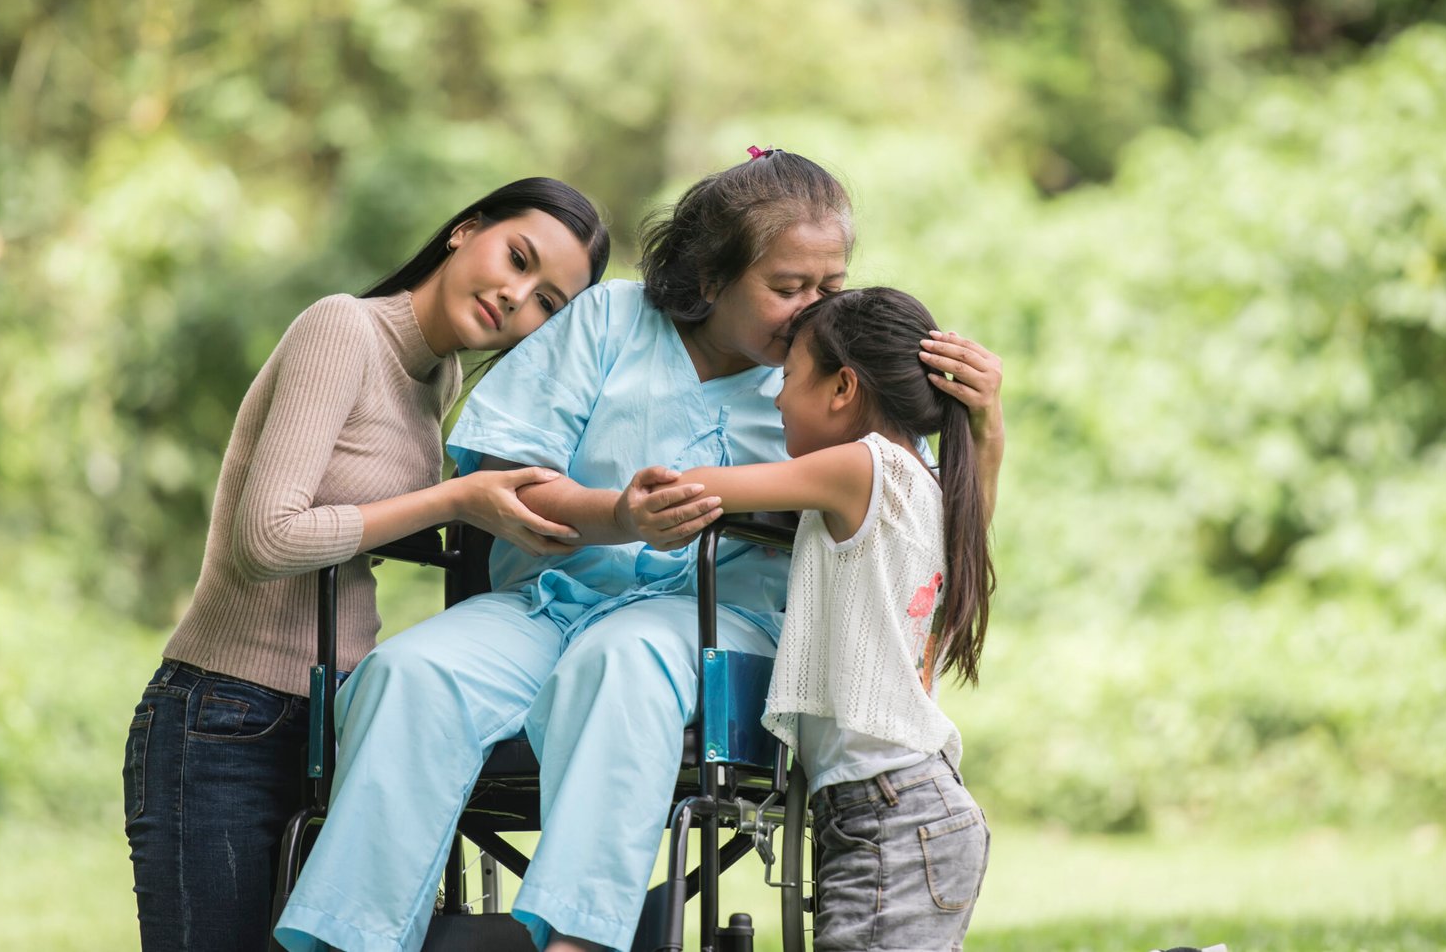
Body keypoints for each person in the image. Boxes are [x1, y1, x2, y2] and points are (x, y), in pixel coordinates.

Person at [273, 149, 1004, 952]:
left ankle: (577, 941)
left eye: (828, 287)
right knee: (409, 673)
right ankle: (349, 940)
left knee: (625, 656)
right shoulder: (609, 322)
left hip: (718, 629)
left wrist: (985, 426)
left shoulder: (825, 380)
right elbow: (507, 479)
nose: (811, 310)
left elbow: (919, 524)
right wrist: (622, 514)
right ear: (709, 277)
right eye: (788, 288)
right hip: (546, 605)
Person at [122, 177, 611, 952]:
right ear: (464, 230)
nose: (517, 298)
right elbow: (267, 541)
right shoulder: (342, 329)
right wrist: (454, 500)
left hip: (335, 720)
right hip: (225, 719)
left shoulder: (438, 381)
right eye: (516, 258)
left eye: (548, 302)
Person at [668, 286, 995, 950]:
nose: (776, 397)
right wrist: (991, 427)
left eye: (787, 378)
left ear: (843, 387)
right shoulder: (930, 488)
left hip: (888, 811)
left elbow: (704, 485)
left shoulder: (863, 466)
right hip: (905, 804)